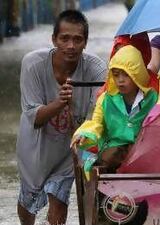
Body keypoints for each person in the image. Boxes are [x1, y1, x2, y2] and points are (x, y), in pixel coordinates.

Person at [16, 10, 107, 225]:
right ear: (54, 39)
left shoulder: (97, 70)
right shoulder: (33, 64)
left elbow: (96, 118)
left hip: (69, 148)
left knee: (59, 206)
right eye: (64, 38)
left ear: (85, 42)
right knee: (27, 203)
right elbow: (34, 118)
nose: (71, 46)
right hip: (35, 148)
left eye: (77, 39)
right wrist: (60, 103)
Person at [71, 45, 158, 173]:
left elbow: (158, 128)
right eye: (116, 75)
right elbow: (96, 122)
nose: (120, 81)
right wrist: (85, 134)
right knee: (104, 159)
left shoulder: (153, 99)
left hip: (142, 150)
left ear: (138, 75)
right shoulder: (106, 99)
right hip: (112, 153)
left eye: (126, 75)